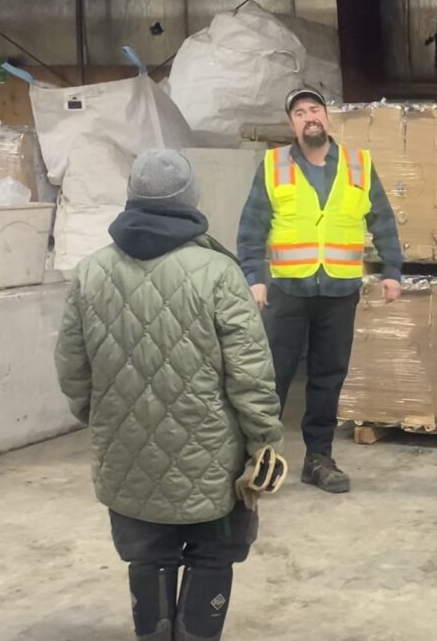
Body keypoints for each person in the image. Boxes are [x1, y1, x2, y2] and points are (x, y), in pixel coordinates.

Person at [55, 150, 286, 641]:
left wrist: (104, 419)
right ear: (189, 200)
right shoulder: (218, 272)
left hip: (125, 453)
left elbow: (72, 367)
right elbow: (250, 371)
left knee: (147, 555)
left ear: (132, 198)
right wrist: (263, 437)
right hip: (212, 460)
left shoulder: (91, 272)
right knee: (212, 555)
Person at [237, 87, 404, 494]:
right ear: (291, 124)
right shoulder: (273, 165)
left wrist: (392, 269)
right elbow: (253, 226)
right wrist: (254, 277)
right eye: (299, 112)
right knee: (273, 377)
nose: (309, 116)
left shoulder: (357, 165)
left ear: (327, 118)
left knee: (328, 377)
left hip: (338, 290)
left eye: (315, 109)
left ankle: (319, 459)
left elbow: (381, 217)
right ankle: (259, 458)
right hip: (287, 291)